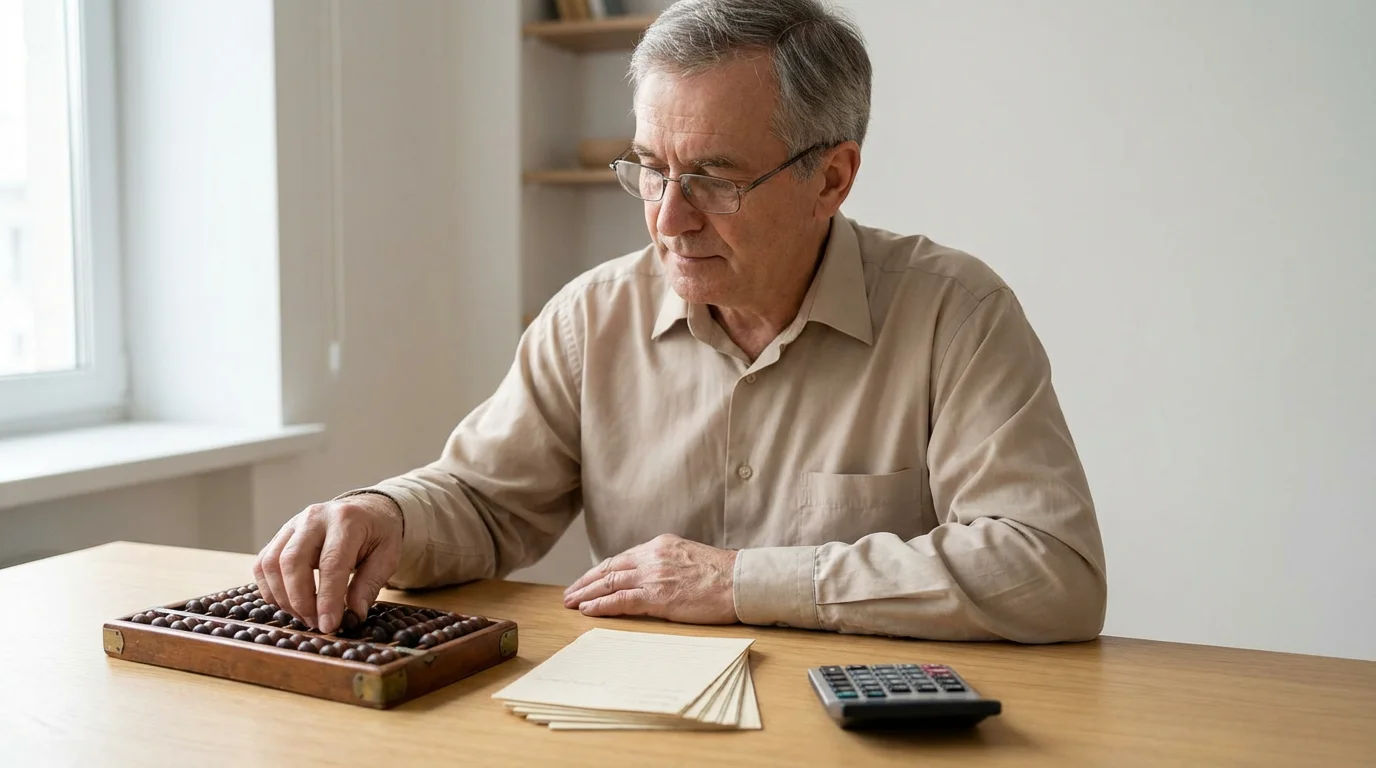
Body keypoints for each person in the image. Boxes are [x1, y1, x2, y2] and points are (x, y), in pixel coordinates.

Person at [254, 0, 1107, 643]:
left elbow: (1049, 570)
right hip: (631, 723)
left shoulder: (956, 313)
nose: (668, 217)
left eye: (714, 177)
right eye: (650, 169)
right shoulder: (592, 316)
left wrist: (739, 583)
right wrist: (383, 514)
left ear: (832, 178)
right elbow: (482, 504)